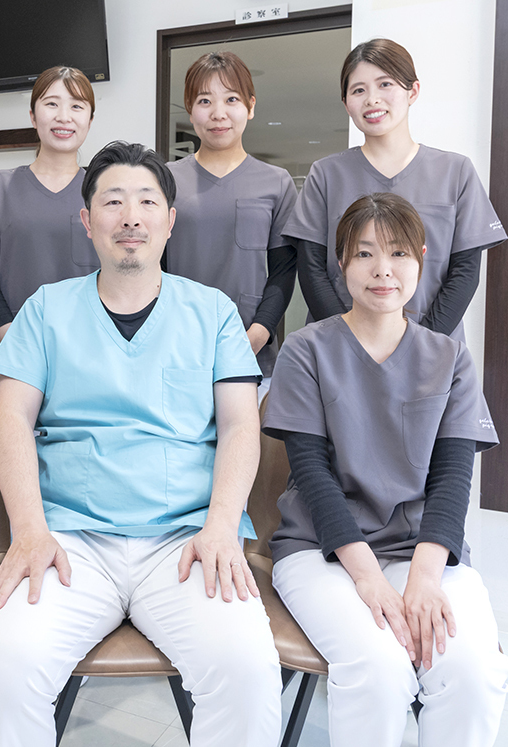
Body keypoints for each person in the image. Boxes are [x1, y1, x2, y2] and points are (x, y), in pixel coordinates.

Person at [0, 141, 282, 746]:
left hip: (187, 540)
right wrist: (29, 531)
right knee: (5, 669)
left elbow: (242, 426)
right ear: (87, 222)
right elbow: (10, 420)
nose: (130, 217)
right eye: (112, 202)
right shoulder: (45, 310)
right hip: (68, 540)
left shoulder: (213, 313)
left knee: (246, 671)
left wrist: (221, 527)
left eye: (146, 201)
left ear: (170, 220)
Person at [264, 192, 508, 746]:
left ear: (420, 259)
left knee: (473, 672)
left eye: (398, 253)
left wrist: (424, 579)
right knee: (378, 669)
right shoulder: (306, 350)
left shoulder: (449, 356)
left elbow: (453, 478)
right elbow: (312, 475)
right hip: (321, 550)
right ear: (341, 263)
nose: (383, 270)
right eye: (365, 253)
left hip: (424, 551)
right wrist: (369, 578)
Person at [283, 38, 506, 340]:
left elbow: (465, 273)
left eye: (385, 84)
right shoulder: (325, 174)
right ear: (346, 103)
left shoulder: (456, 172)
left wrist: (419, 346)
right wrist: (348, 343)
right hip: (340, 346)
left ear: (412, 91)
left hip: (433, 345)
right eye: (358, 90)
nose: (372, 99)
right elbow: (311, 270)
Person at [166, 51, 297, 381]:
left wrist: (257, 335)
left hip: (251, 351)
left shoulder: (277, 182)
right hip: (175, 347)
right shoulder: (165, 180)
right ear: (190, 109)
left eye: (231, 99)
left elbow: (283, 271)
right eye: (205, 101)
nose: (218, 113)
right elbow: (154, 265)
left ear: (250, 106)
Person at [0, 66, 99, 356]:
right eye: (51, 104)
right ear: (33, 116)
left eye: (76, 106)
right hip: (15, 348)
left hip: (91, 348)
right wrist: (15, 340)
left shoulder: (105, 193)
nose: (64, 116)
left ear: (90, 119)